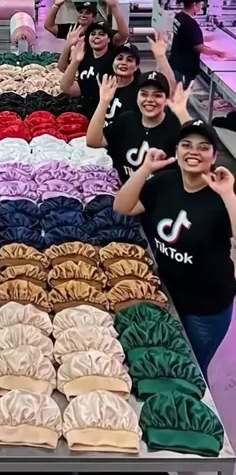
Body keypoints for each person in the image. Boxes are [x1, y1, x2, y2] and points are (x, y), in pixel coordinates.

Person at [113, 120, 236, 378]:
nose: (193, 152)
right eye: (186, 145)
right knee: (160, 362)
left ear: (214, 156)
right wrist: (145, 168)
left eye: (203, 147)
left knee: (190, 370)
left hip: (205, 307)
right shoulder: (163, 183)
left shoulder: (222, 196)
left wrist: (228, 194)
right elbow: (123, 206)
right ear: (177, 151)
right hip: (165, 292)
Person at [86, 71, 190, 182]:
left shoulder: (176, 127)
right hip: (122, 188)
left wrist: (182, 114)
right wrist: (103, 102)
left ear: (166, 100)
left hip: (159, 191)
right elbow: (93, 141)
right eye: (144, 94)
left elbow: (197, 156)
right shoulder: (126, 119)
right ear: (137, 97)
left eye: (157, 95)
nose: (149, 100)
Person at [49, 0, 129, 72]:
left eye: (87, 13)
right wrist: (56, 6)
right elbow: (49, 26)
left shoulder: (101, 30)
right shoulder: (72, 29)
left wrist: (114, 8)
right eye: (81, 12)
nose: (96, 37)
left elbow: (124, 34)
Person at [61, 38, 141, 125]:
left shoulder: (140, 90)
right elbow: (67, 88)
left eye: (129, 60)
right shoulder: (101, 80)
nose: (123, 62)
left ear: (136, 66)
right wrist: (75, 62)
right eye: (119, 58)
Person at [169, 0, 228, 86]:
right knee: (180, 92)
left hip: (175, 63)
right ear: (194, 5)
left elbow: (186, 37)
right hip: (183, 69)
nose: (201, 7)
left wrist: (206, 38)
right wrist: (220, 53)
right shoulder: (190, 23)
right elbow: (199, 48)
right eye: (201, 4)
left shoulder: (179, 16)